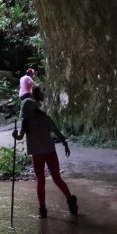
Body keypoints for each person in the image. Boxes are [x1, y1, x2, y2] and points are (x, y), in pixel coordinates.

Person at [12, 86, 78, 218]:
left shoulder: (44, 119)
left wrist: (65, 143)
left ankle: (70, 199)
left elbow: (57, 132)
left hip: (49, 152)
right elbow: (20, 137)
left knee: (56, 179)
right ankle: (42, 209)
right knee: (40, 182)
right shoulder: (26, 122)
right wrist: (15, 136)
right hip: (37, 155)